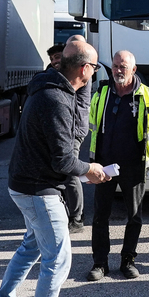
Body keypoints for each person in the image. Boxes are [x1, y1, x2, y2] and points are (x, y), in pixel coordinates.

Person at [0, 40, 111, 297]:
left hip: (29, 185)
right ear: (84, 68)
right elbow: (64, 160)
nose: (94, 73)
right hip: (37, 189)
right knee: (58, 259)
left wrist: (85, 85)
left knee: (31, 246)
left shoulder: (59, 89)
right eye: (92, 68)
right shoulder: (55, 100)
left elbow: (78, 131)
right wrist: (90, 169)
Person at [86, 50, 149, 281]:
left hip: (134, 166)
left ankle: (128, 260)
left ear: (134, 68)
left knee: (134, 216)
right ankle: (100, 263)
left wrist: (144, 152)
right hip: (103, 165)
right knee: (101, 216)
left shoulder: (148, 95)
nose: (119, 70)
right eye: (115, 66)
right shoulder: (101, 93)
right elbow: (91, 124)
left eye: (123, 66)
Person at [63, 35, 90, 233]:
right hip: (70, 125)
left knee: (71, 171)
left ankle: (77, 217)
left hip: (74, 127)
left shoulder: (82, 72)